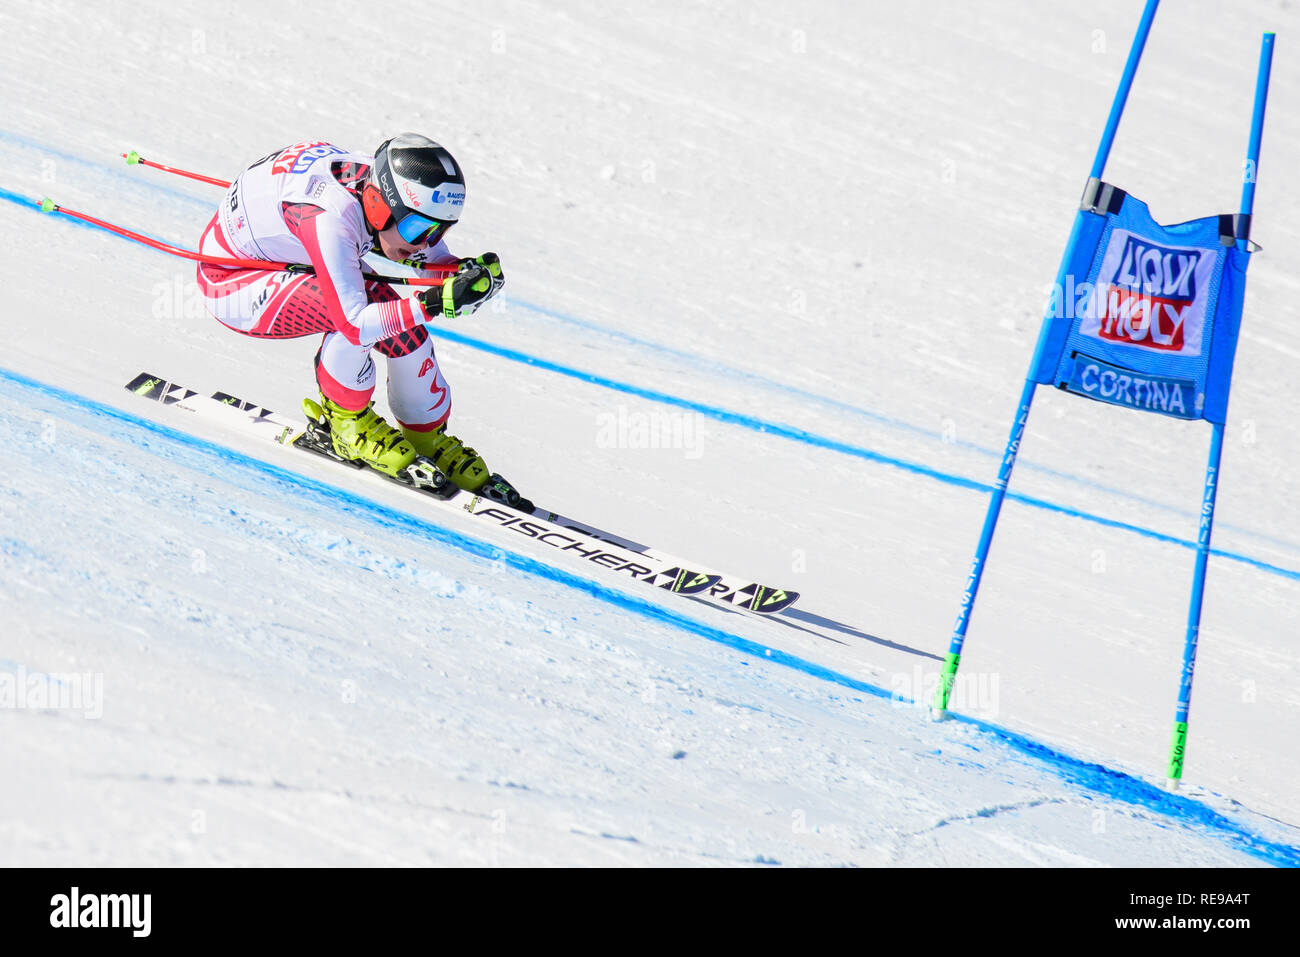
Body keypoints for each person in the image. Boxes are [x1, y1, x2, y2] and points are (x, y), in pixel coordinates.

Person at [196, 133, 503, 489]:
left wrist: (466, 274)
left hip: (283, 256)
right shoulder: (330, 217)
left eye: (439, 230)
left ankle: (427, 438)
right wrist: (434, 302)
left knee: (402, 324)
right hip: (233, 282)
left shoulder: (384, 195)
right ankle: (347, 425)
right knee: (360, 315)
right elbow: (355, 324)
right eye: (418, 229)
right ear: (377, 205)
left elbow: (430, 262)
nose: (424, 243)